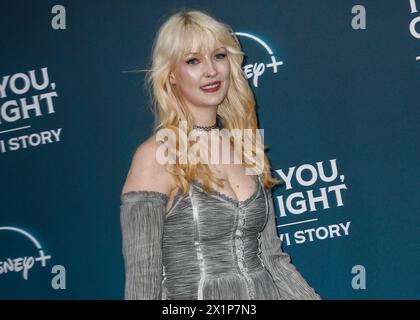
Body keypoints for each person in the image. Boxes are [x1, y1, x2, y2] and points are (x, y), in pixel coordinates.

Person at [120, 9, 321, 300]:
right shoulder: (156, 156)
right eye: (193, 60)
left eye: (219, 56)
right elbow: (142, 283)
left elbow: (274, 260)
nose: (211, 71)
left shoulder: (246, 145)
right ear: (171, 75)